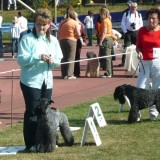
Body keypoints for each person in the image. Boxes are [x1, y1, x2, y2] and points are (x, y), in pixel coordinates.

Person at [17, 8, 63, 151]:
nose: (41, 27)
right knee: (32, 112)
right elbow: (21, 60)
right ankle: (31, 144)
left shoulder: (53, 40)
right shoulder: (27, 39)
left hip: (47, 82)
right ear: (34, 24)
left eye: (44, 24)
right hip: (30, 82)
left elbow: (59, 60)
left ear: (49, 25)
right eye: (38, 24)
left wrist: (52, 60)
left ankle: (46, 143)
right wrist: (38, 57)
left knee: (46, 114)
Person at [136, 8, 160, 121]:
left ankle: (153, 114)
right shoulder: (142, 31)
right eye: (149, 18)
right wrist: (139, 52)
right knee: (140, 88)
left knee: (157, 89)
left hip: (158, 62)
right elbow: (138, 46)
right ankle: (136, 114)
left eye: (153, 18)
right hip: (144, 62)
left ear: (158, 20)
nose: (151, 21)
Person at [58, 8, 81, 80]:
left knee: (63, 57)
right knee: (71, 57)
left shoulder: (62, 22)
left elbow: (59, 32)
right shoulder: (74, 22)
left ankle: (64, 74)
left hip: (62, 40)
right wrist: (76, 36)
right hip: (71, 40)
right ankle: (70, 74)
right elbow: (78, 33)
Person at [119, 2, 143, 67]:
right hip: (128, 32)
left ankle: (136, 62)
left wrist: (139, 32)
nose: (133, 8)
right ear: (130, 7)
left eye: (135, 7)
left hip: (136, 32)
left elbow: (141, 24)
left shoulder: (139, 14)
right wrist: (125, 31)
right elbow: (123, 23)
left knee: (137, 48)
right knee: (126, 47)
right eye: (132, 7)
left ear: (137, 7)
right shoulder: (126, 14)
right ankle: (123, 62)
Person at [99, 8, 113, 78]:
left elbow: (104, 32)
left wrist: (100, 41)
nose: (100, 15)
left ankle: (108, 73)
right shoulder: (109, 20)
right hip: (110, 39)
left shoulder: (104, 21)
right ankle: (110, 71)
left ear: (103, 14)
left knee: (107, 57)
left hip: (106, 39)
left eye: (100, 14)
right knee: (109, 57)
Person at [74, 12, 86, 77]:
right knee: (72, 57)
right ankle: (71, 72)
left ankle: (77, 72)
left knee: (77, 57)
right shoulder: (70, 23)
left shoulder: (80, 24)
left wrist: (84, 41)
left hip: (78, 42)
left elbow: (83, 34)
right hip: (72, 41)